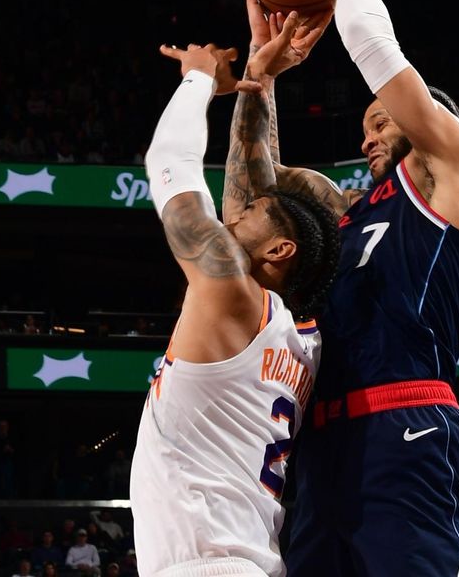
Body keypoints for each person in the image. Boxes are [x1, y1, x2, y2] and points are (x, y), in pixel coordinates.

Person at [225, 0, 459, 574]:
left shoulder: (453, 177)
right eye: (367, 126)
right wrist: (260, 73)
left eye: (381, 121)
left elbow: (376, 45)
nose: (367, 135)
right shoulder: (344, 206)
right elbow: (248, 207)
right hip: (320, 449)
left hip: (406, 424)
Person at [129, 31, 340, 577]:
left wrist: (199, 76)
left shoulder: (231, 293)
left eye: (248, 216)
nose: (233, 215)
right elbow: (249, 194)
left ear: (279, 249)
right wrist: (258, 79)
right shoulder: (305, 341)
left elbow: (168, 161)